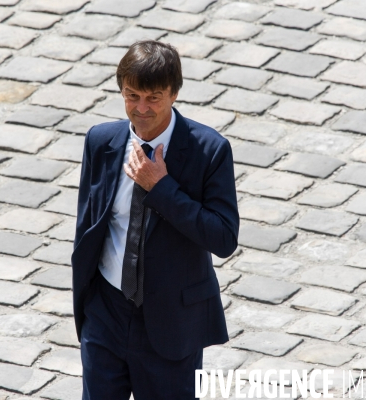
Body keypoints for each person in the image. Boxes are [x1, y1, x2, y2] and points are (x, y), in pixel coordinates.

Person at [71, 40, 240, 399]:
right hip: (105, 314)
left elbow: (223, 238)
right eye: (132, 96)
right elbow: (87, 227)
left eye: (153, 98)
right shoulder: (101, 142)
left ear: (174, 93)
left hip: (171, 327)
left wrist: (161, 188)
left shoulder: (209, 151)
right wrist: (89, 308)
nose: (141, 109)